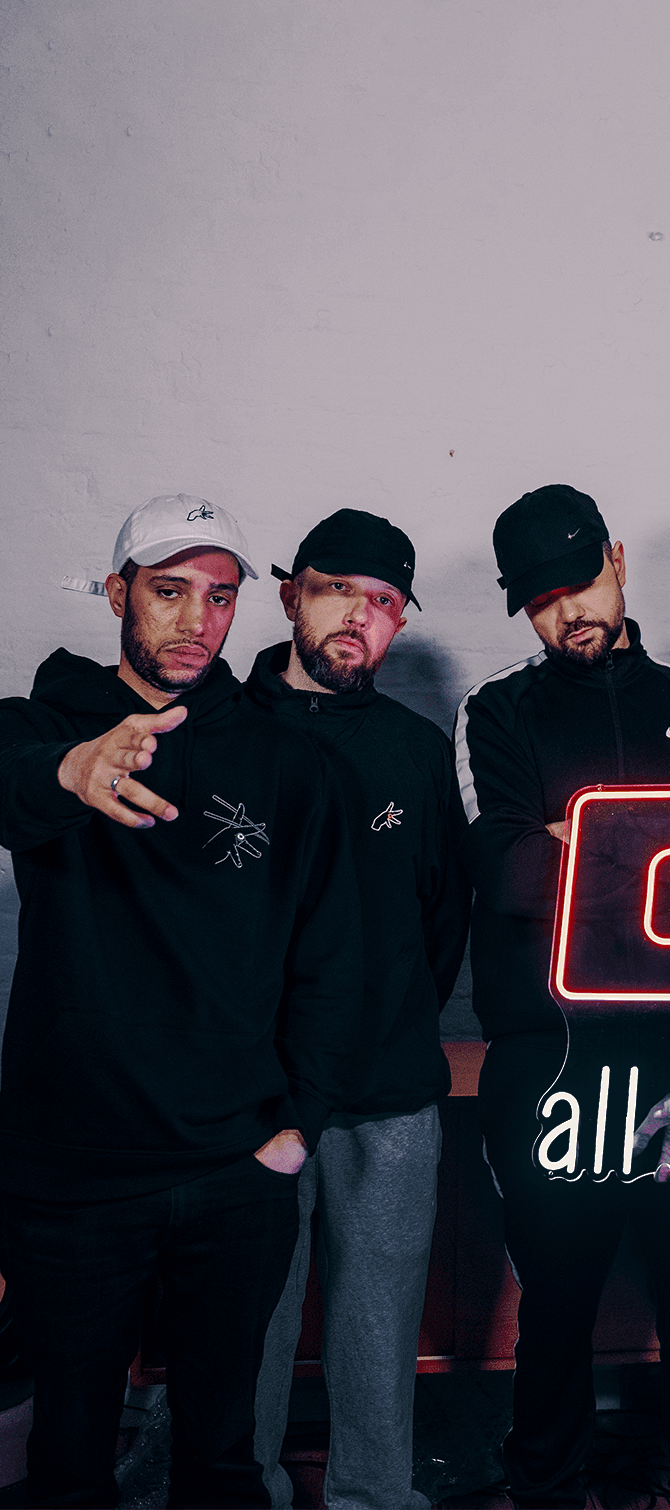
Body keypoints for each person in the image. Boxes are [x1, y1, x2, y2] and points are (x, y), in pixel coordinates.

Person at [0, 494, 363, 1509]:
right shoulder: (40, 727)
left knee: (219, 1459)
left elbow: (331, 957)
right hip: (72, 1174)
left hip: (233, 1173)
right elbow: (7, 778)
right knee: (69, 1460)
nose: (197, 619)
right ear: (119, 593)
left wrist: (298, 1127)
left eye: (219, 595)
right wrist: (70, 771)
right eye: (169, 591)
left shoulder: (289, 758)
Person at [453, 484, 670, 1508]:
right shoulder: (497, 712)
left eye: (580, 581)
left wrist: (581, 839)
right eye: (540, 599)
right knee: (558, 1305)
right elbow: (503, 874)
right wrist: (664, 846)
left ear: (617, 558)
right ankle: (546, 1489)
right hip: (554, 1059)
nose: (567, 611)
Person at [249, 509, 470, 1510]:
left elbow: (443, 915)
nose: (359, 614)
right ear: (291, 592)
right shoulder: (219, 725)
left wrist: (393, 1015)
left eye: (384, 602)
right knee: (248, 1314)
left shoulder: (416, 751)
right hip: (251, 1090)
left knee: (379, 1320)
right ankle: (239, 1486)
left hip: (387, 1087)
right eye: (339, 588)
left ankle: (375, 1496)